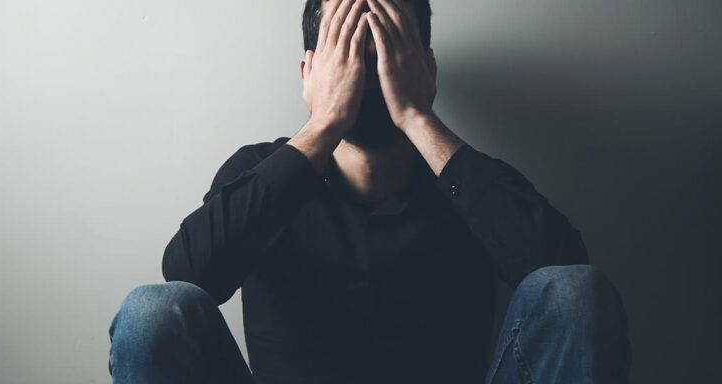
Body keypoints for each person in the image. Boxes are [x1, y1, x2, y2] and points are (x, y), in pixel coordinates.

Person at [108, 0, 632, 383]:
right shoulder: (262, 170)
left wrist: (415, 116)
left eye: (383, 52)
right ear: (310, 72)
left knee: (575, 292)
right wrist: (327, 119)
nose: (367, 74)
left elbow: (569, 287)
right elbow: (187, 277)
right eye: (349, 55)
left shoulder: (473, 183)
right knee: (152, 311)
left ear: (425, 68)